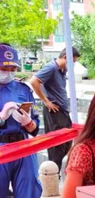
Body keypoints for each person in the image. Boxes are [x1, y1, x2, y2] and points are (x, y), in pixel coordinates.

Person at [0, 44, 57, 198]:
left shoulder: (23, 89)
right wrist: (2, 117)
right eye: (4, 68)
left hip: (23, 149)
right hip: (1, 151)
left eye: (13, 68)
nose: (9, 72)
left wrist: (28, 122)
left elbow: (34, 129)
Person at [29, 47, 80, 175]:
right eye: (73, 61)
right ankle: (52, 177)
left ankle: (57, 174)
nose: (73, 64)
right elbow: (34, 81)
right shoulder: (51, 67)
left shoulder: (62, 71)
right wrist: (46, 101)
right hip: (54, 112)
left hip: (63, 111)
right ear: (65, 57)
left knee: (66, 143)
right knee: (57, 146)